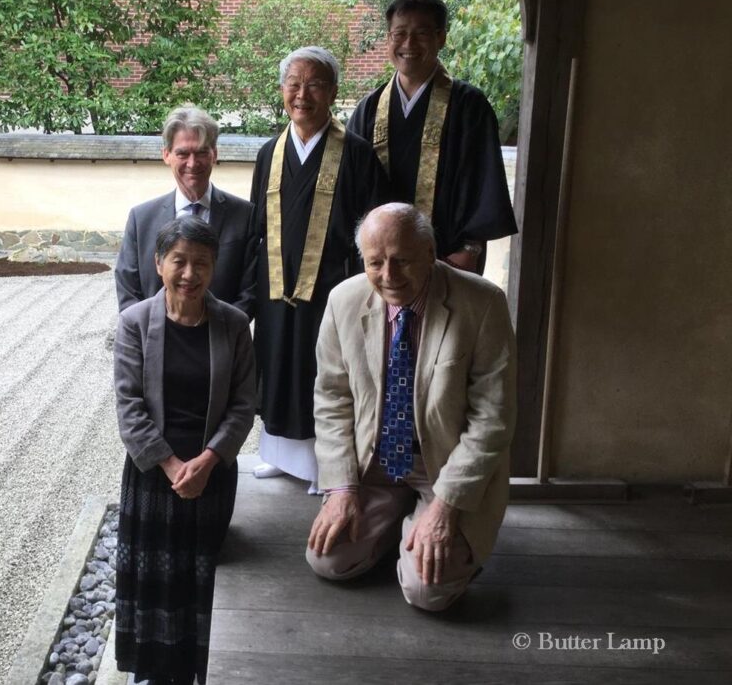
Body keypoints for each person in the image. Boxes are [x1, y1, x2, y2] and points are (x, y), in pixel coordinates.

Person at [307, 203, 515, 611]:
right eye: (375, 262)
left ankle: (425, 522)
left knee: (428, 593)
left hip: (443, 466)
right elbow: (331, 399)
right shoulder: (343, 301)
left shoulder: (483, 303)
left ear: (430, 254)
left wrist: (446, 506)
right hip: (376, 461)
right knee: (328, 560)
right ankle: (398, 519)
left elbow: (492, 419)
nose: (389, 275)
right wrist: (342, 488)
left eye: (402, 260)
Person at [113, 216, 256, 684]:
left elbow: (243, 404)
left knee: (202, 578)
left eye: (202, 263)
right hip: (154, 476)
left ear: (214, 267)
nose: (190, 274)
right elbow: (129, 406)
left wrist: (209, 460)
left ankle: (201, 667)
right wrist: (172, 465)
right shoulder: (135, 323)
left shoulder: (234, 325)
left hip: (211, 474)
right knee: (155, 581)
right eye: (179, 261)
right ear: (159, 263)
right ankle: (156, 670)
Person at [249, 46, 390, 492]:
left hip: (332, 285)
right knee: (276, 364)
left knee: (326, 371)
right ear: (281, 91)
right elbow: (257, 226)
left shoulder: (357, 154)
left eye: (314, 85)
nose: (302, 95)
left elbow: (371, 229)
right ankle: (276, 454)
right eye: (293, 84)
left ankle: (324, 465)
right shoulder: (269, 153)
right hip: (275, 285)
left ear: (332, 92)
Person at [347, 0, 517, 274]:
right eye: (399, 34)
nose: (408, 44)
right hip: (381, 263)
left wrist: (470, 249)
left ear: (441, 38)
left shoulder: (469, 106)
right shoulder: (369, 108)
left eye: (421, 33)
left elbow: (483, 183)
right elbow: (352, 185)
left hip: (449, 257)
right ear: (388, 39)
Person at [115, 106, 257, 318]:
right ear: (166, 155)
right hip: (154, 336)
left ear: (214, 154)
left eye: (201, 152)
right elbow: (129, 292)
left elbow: (250, 292)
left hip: (222, 336)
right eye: (182, 153)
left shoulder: (244, 216)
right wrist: (151, 331)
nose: (192, 163)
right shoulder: (141, 219)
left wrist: (222, 331)